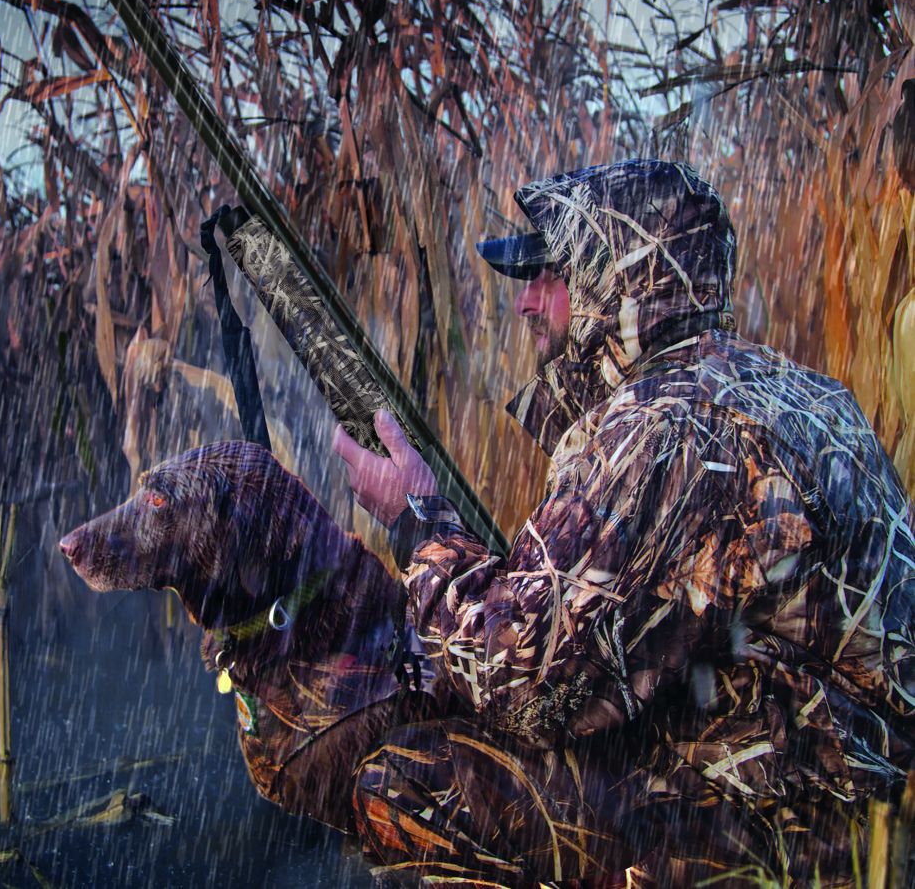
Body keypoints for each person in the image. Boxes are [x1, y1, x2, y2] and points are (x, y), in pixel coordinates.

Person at [332, 158, 915, 885]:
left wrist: (418, 524)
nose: (526, 305)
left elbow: (523, 688)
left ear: (623, 282)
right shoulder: (797, 392)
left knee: (414, 778)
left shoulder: (669, 427)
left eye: (552, 275)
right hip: (861, 809)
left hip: (792, 837)